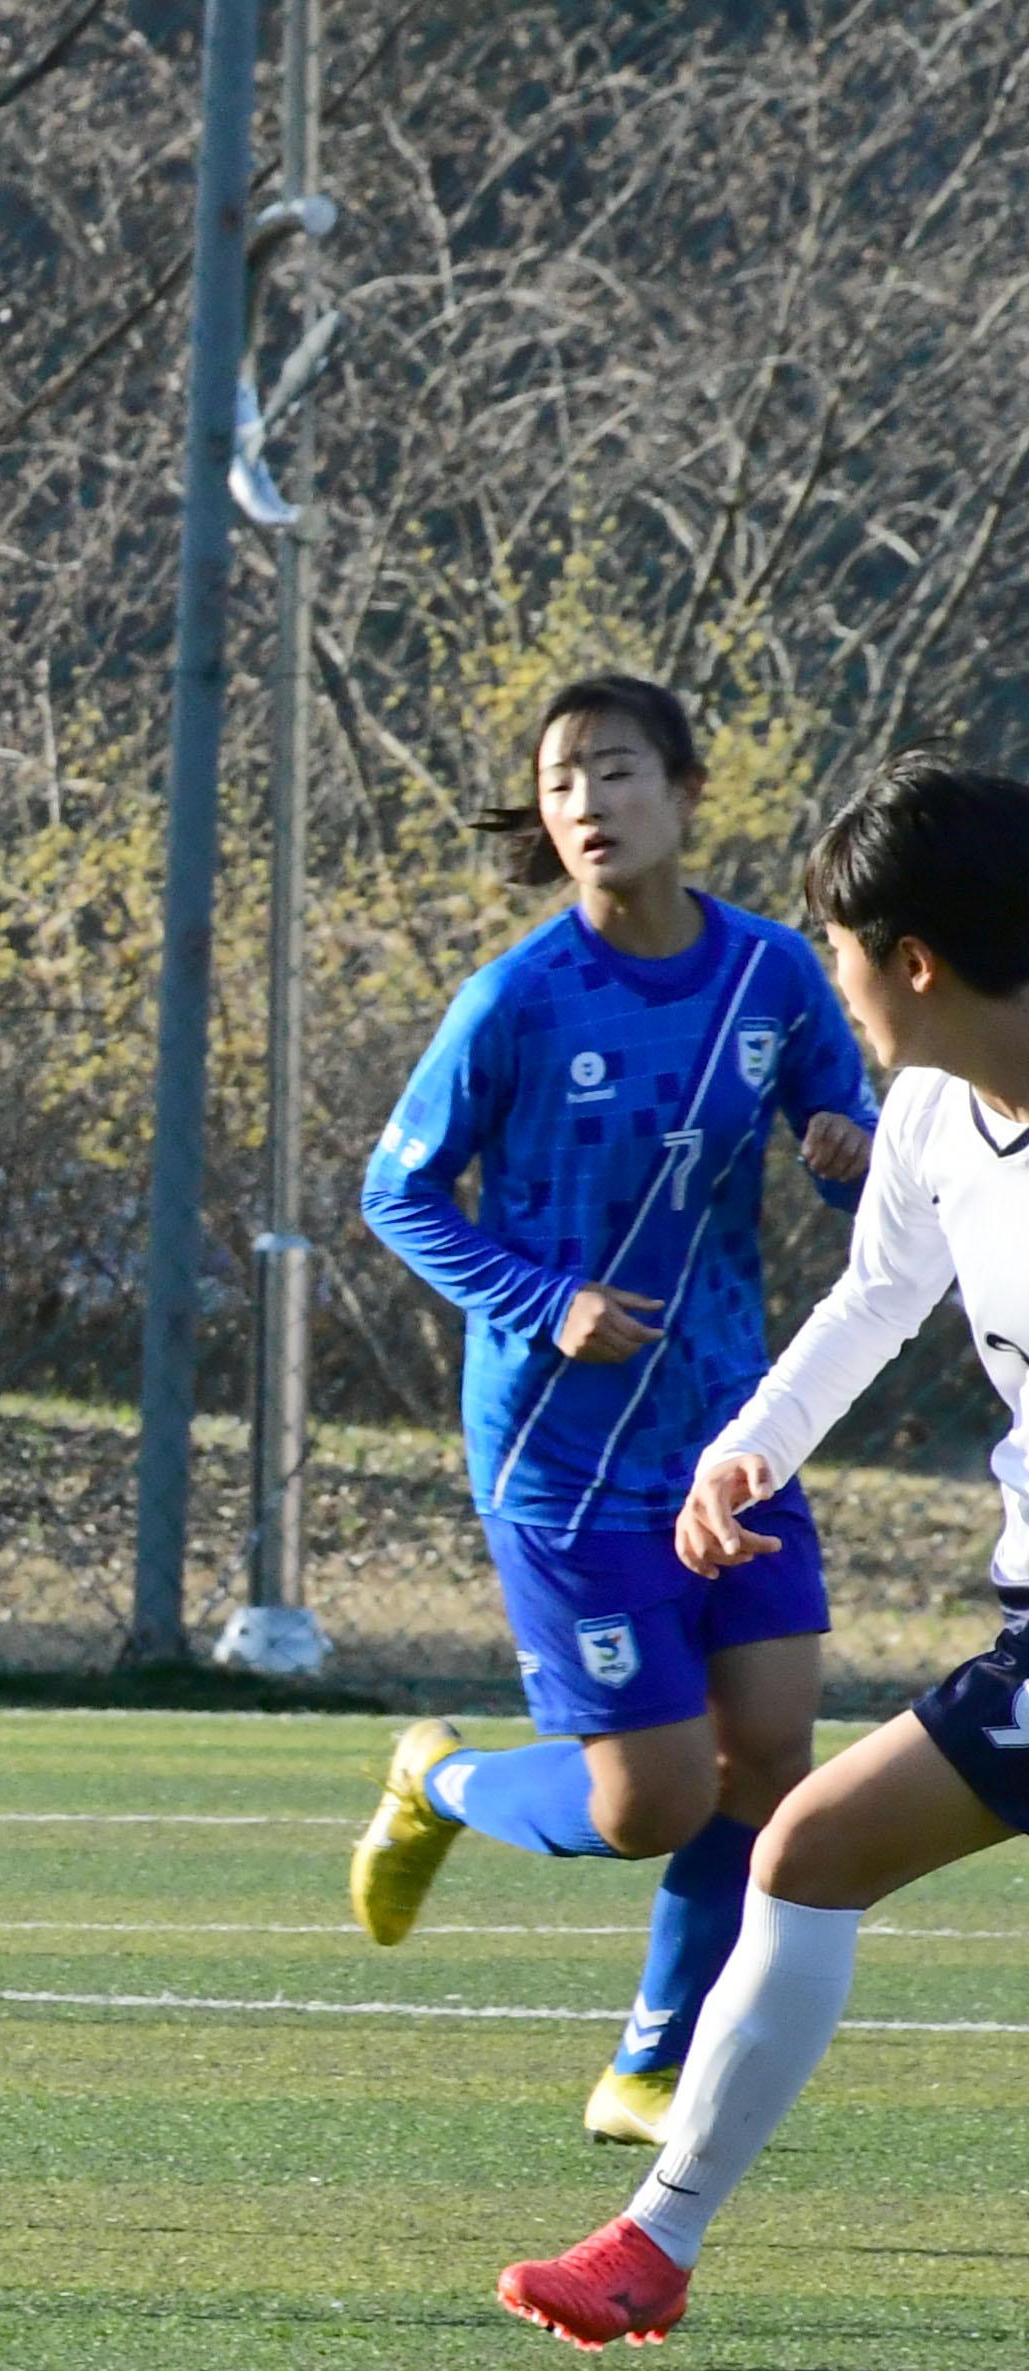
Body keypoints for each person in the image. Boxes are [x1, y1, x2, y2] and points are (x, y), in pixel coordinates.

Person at [496, 755, 1029, 2348]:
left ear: (911, 960)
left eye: (837, 943)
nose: (825, 975)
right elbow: (878, 1294)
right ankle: (651, 2249)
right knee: (803, 1852)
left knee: (802, 1846)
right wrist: (752, 1447)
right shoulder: (936, 1109)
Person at [350, 676, 877, 2142]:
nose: (588, 802)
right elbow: (396, 1191)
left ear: (687, 791)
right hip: (561, 1457)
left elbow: (858, 1143)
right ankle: (441, 1781)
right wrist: (545, 1302)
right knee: (651, 1800)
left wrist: (848, 1143)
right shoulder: (516, 999)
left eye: (618, 771)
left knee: (771, 1762)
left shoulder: (772, 975)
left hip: (731, 1436)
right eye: (564, 780)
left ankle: (648, 2065)